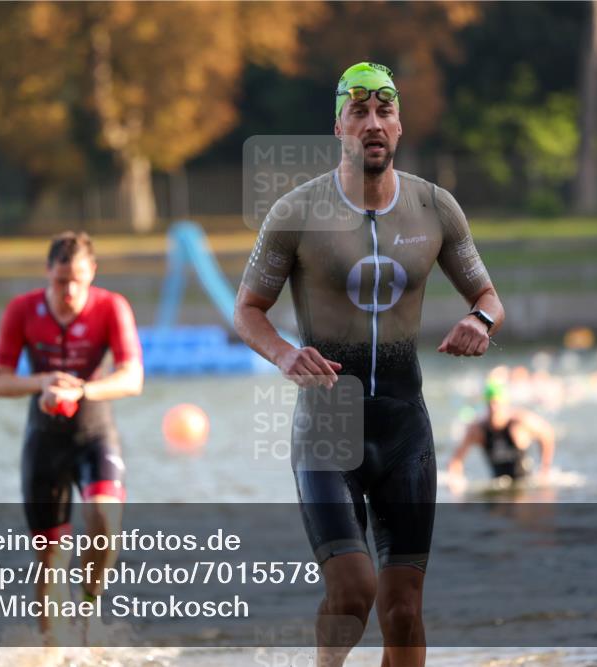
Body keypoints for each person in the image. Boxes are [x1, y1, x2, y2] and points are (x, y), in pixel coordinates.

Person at [234, 62, 504, 667]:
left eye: (384, 110)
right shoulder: (295, 212)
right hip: (329, 428)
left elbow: (489, 299)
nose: (373, 123)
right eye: (359, 111)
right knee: (354, 591)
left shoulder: (436, 208)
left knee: (403, 612)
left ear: (400, 125)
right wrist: (283, 353)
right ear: (339, 125)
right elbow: (247, 310)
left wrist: (478, 322)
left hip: (406, 428)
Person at [0, 231, 143, 643]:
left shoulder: (112, 307)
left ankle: (89, 612)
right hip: (44, 442)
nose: (69, 291)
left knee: (104, 518)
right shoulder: (22, 310)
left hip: (94, 432)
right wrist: (42, 382)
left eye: (77, 279)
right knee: (50, 559)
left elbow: (133, 377)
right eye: (60, 281)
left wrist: (81, 390)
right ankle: (52, 649)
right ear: (47, 274)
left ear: (92, 273)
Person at [446, 380, 555, 487]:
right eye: (490, 403)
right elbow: (456, 460)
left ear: (505, 403)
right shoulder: (478, 429)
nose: (493, 408)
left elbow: (547, 434)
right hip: (499, 485)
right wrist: (455, 481)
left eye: (497, 403)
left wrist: (545, 469)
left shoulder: (519, 423)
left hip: (525, 485)